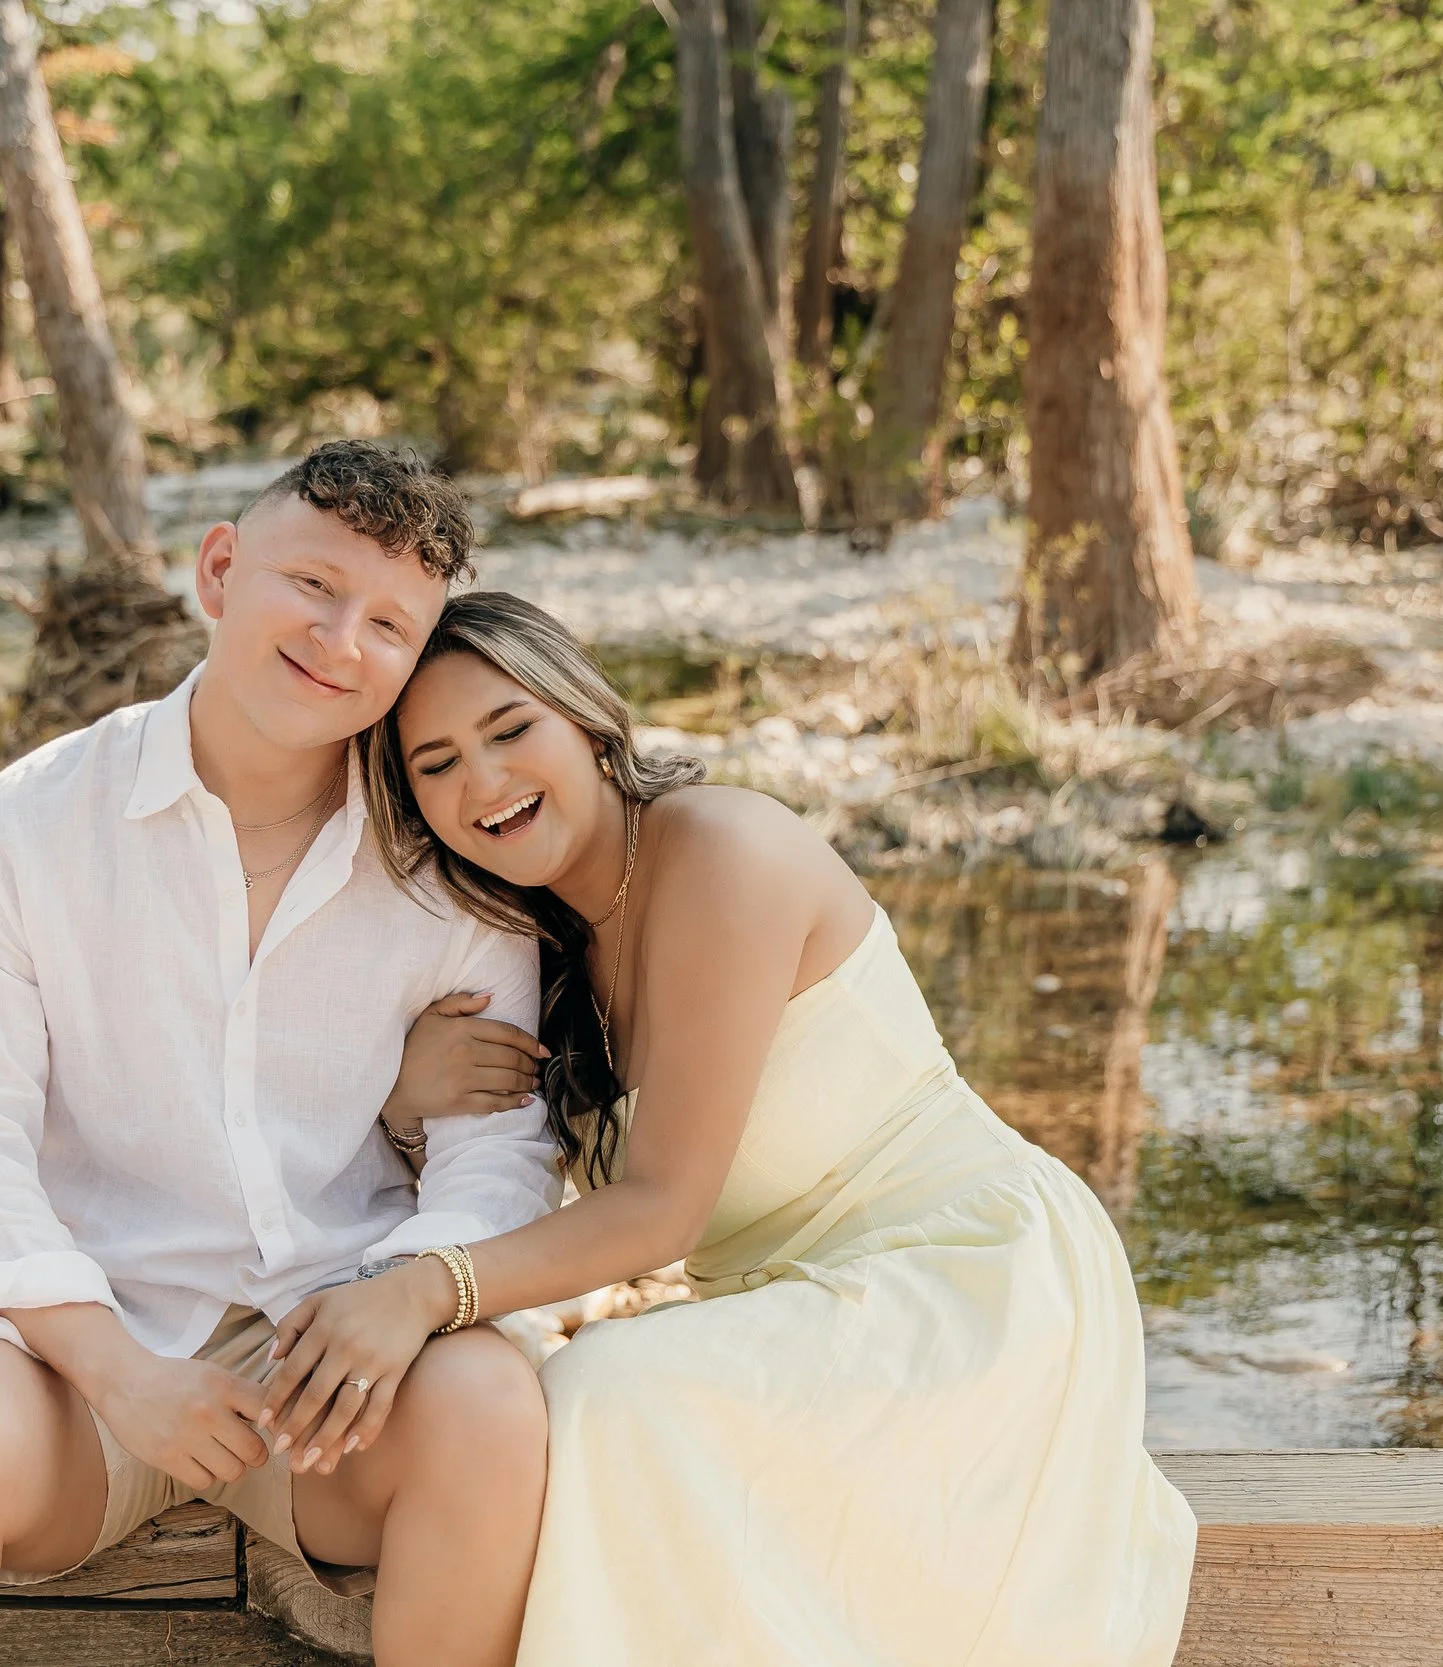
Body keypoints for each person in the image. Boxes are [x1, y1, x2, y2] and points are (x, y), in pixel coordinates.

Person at [260, 590, 1199, 1666]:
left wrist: (425, 1286)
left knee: (604, 1390)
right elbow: (508, 1191)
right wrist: (398, 1094)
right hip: (791, 1316)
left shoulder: (720, 849)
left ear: (588, 719)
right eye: (435, 764)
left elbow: (661, 1207)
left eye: (510, 730)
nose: (484, 783)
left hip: (965, 1275)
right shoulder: (531, 945)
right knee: (527, 1409)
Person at [0, 447, 564, 1667]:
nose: (340, 639)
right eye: (312, 585)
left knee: (491, 1408)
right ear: (220, 568)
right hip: (88, 1348)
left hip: (338, 1357)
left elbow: (500, 1153)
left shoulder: (452, 867)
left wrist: (402, 1291)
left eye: (388, 622)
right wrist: (118, 1372)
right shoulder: (24, 826)